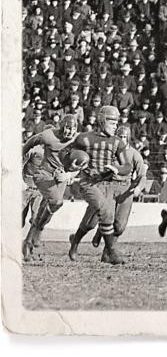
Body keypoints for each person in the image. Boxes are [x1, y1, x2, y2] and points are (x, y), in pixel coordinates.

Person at [69, 126, 148, 260]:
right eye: (120, 136)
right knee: (94, 220)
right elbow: (92, 162)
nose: (122, 139)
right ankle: (82, 243)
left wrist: (139, 187)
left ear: (128, 138)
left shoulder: (134, 154)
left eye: (124, 137)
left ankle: (107, 249)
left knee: (120, 226)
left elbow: (142, 175)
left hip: (125, 188)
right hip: (108, 185)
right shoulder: (110, 149)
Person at [67, 106, 131, 265]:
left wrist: (117, 169)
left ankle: (74, 242)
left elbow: (128, 166)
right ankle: (112, 252)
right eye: (112, 122)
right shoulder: (84, 138)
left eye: (117, 122)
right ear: (102, 121)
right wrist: (72, 166)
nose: (115, 126)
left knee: (90, 222)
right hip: (88, 182)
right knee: (106, 212)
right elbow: (67, 155)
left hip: (107, 184)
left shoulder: (117, 142)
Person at [21, 114, 79, 260]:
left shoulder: (79, 140)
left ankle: (28, 241)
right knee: (56, 202)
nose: (69, 133)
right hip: (44, 174)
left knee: (47, 208)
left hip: (61, 177)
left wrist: (69, 176)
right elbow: (30, 142)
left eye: (72, 129)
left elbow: (83, 162)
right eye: (67, 128)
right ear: (61, 127)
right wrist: (19, 157)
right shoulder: (48, 135)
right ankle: (38, 230)